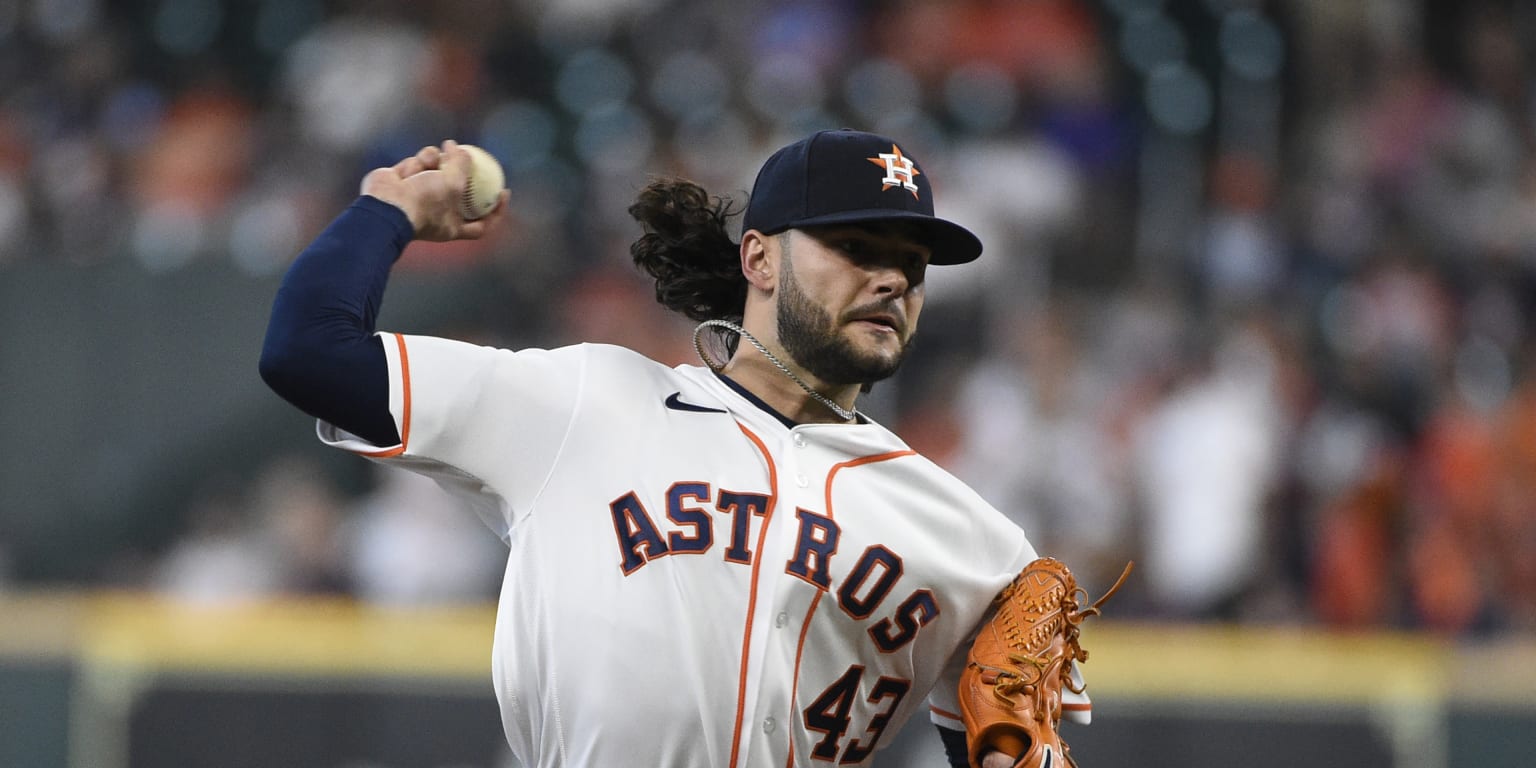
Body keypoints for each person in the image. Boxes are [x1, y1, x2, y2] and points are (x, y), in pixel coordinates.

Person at [260, 130, 1086, 767]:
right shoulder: (584, 401)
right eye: (857, 249)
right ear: (758, 258)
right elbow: (308, 353)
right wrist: (386, 212)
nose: (892, 280)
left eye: (912, 264)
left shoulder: (977, 545)